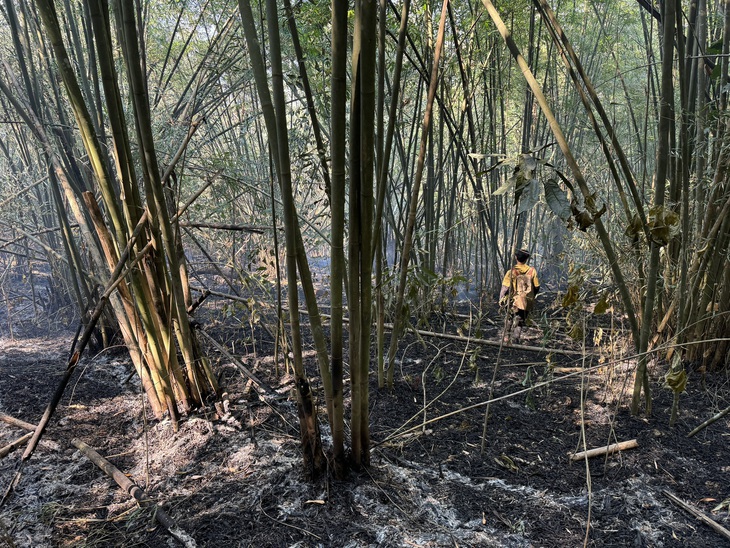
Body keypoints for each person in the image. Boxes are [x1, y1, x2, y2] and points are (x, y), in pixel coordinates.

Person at [499, 248, 540, 343]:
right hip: (526, 302)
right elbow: (537, 287)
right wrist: (531, 296)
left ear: (516, 257)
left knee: (509, 317)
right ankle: (516, 338)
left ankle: (506, 337)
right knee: (520, 320)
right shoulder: (532, 271)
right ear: (526, 259)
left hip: (514, 300)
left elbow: (505, 288)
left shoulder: (511, 272)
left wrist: (501, 300)